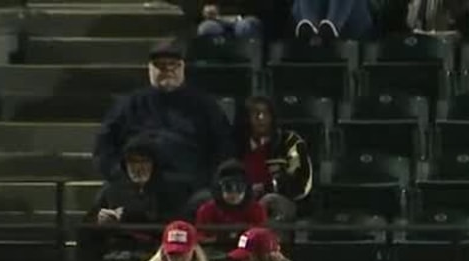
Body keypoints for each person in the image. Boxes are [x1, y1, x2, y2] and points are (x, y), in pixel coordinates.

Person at [94, 40, 233, 209]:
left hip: (190, 186)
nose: (167, 70)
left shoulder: (205, 106)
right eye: (160, 65)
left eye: (172, 65)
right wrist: (120, 175)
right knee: (106, 197)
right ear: (150, 69)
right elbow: (104, 145)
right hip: (137, 183)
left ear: (182, 68)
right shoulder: (129, 105)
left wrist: (206, 180)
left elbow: (224, 146)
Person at [233, 96, 311, 222]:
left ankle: (267, 241)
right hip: (241, 198)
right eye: (255, 113)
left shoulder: (289, 141)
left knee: (268, 202)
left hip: (281, 200)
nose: (261, 118)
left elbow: (300, 182)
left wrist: (266, 187)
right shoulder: (236, 144)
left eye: (265, 113)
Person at [194, 160, 268, 244]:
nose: (234, 194)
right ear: (219, 188)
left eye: (239, 187)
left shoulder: (256, 209)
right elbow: (199, 238)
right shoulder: (206, 210)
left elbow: (262, 237)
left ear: (247, 189)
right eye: (228, 187)